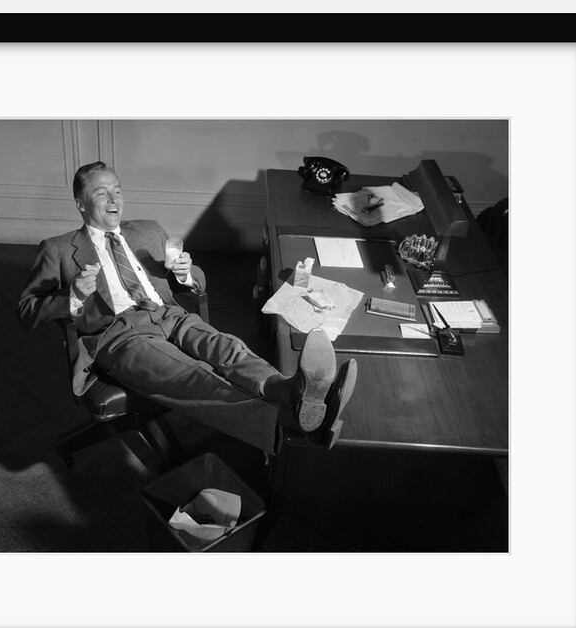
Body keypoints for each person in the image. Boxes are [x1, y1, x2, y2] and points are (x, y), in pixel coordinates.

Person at [18, 161, 357, 456]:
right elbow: (26, 311)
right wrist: (73, 296)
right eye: (101, 193)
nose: (114, 200)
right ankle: (295, 422)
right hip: (118, 334)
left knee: (229, 349)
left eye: (117, 191)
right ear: (80, 203)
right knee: (193, 375)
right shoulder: (58, 249)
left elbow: (198, 281)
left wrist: (186, 275)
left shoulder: (147, 230)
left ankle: (292, 391)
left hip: (169, 313)